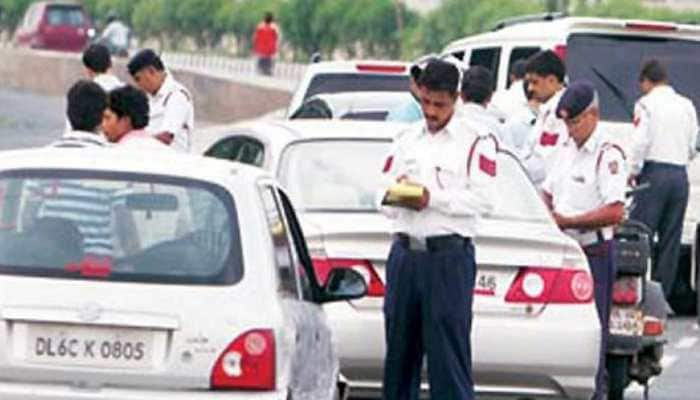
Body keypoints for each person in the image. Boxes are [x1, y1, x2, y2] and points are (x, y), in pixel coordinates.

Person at [379, 59, 497, 400]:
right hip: (405, 256)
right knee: (399, 361)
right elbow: (378, 190)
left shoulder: (475, 141)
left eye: (439, 105)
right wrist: (395, 194)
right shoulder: (405, 139)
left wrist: (432, 199)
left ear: (456, 98)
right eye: (426, 102)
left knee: (448, 363)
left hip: (448, 260)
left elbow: (484, 200)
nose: (431, 111)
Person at [542, 81, 627, 400]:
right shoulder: (565, 150)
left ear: (593, 115)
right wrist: (548, 213)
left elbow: (615, 210)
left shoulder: (608, 154)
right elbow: (548, 190)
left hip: (592, 251)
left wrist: (570, 221)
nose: (570, 129)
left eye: (575, 121)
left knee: (593, 338)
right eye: (566, 122)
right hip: (561, 249)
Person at [629, 59, 698, 299]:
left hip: (653, 173)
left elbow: (640, 142)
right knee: (671, 240)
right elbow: (693, 144)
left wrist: (632, 170)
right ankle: (661, 298)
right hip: (680, 175)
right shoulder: (687, 105)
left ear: (646, 81)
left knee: (639, 235)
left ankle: (637, 292)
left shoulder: (645, 105)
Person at [127, 49, 194, 153]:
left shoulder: (176, 95)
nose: (138, 85)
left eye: (138, 79)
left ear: (151, 71)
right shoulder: (149, 98)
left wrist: (135, 145)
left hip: (172, 165)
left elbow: (166, 137)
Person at [521, 50, 567, 187]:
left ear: (552, 80)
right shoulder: (546, 111)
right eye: (529, 83)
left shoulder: (561, 114)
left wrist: (520, 172)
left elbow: (547, 164)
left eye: (535, 82)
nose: (530, 88)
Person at [460, 65, 514, 149]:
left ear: (461, 95)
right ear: (490, 97)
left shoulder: (448, 122)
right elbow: (511, 158)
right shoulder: (499, 128)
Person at [102, 85, 169, 150]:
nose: (102, 124)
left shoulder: (120, 153)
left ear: (125, 121)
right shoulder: (161, 149)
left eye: (107, 118)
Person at [253, 12, 279, 76]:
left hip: (262, 48)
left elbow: (255, 38)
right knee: (270, 60)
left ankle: (261, 69)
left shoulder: (260, 27)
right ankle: (268, 70)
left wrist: (255, 47)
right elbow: (277, 37)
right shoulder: (274, 27)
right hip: (270, 49)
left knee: (262, 59)